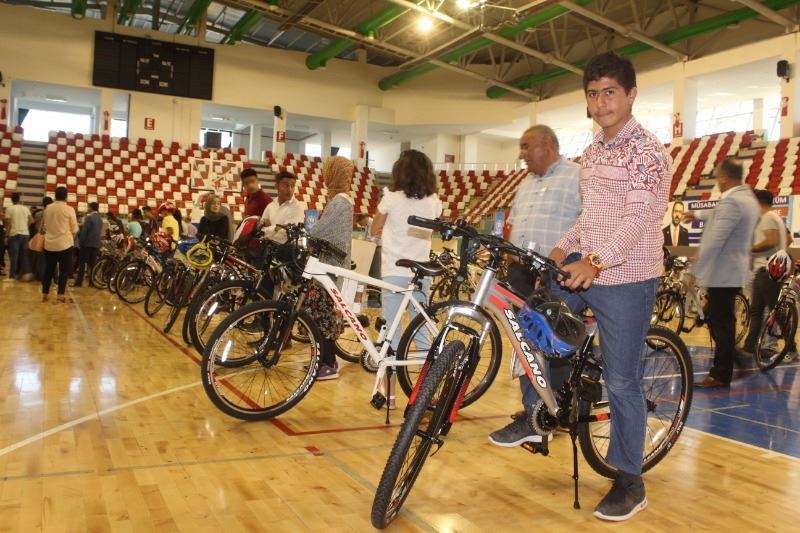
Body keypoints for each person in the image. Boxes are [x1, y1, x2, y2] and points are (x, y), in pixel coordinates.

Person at [549, 51, 670, 521]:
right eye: (593, 93)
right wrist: (563, 247)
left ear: (631, 95)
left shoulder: (648, 151)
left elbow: (638, 219)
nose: (601, 102)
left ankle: (630, 482)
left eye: (610, 92)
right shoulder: (594, 149)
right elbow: (592, 216)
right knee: (536, 314)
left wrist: (595, 262)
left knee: (622, 381)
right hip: (588, 266)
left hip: (627, 277)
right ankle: (539, 413)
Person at [488, 124, 581, 448]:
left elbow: (587, 225)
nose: (522, 153)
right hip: (522, 272)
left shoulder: (576, 177)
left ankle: (538, 414)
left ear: (548, 144)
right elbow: (514, 222)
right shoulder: (525, 183)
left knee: (542, 340)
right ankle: (542, 409)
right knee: (523, 341)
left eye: (527, 146)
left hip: (556, 272)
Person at [370, 150, 442, 404]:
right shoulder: (433, 200)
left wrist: (384, 237)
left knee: (393, 332)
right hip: (421, 273)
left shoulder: (391, 197)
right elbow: (433, 225)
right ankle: (424, 394)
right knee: (420, 332)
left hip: (393, 271)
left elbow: (374, 229)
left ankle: (390, 396)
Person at [688, 160, 760, 388]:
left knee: (721, 324)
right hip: (734, 271)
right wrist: (697, 214)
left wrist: (696, 270)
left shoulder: (732, 202)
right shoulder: (747, 198)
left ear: (724, 177)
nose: (717, 181)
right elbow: (717, 214)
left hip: (723, 272)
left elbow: (715, 239)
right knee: (717, 317)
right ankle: (739, 358)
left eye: (718, 177)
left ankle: (720, 374)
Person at [307, 156, 355, 381]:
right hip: (329, 266)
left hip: (329, 268)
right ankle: (325, 360)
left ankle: (327, 363)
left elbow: (320, 232)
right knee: (322, 316)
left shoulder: (340, 202)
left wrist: (310, 233)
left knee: (323, 317)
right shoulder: (339, 200)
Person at [741, 189, 788, 358]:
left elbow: (770, 241)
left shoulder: (768, 217)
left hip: (768, 270)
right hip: (766, 270)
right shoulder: (775, 218)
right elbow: (787, 239)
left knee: (773, 311)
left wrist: (749, 249)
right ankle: (749, 347)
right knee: (757, 311)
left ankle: (790, 347)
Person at [41, 186, 78, 303]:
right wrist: (71, 238)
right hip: (64, 244)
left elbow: (45, 225)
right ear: (66, 197)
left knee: (48, 270)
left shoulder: (48, 208)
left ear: (55, 196)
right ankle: (60, 295)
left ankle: (45, 294)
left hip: (49, 244)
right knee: (63, 271)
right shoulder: (69, 209)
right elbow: (74, 229)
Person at [259, 170, 306, 242]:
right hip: (269, 248)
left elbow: (289, 235)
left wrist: (271, 228)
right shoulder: (270, 206)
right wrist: (276, 229)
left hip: (288, 249)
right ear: (276, 186)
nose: (290, 189)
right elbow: (261, 231)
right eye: (286, 185)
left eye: (292, 186)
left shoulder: (297, 207)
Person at [3, 192, 33, 281]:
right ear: (19, 199)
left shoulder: (9, 209)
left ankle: (12, 276)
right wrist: (25, 226)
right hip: (25, 234)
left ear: (11, 200)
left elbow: (8, 225)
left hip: (14, 234)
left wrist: (6, 236)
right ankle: (26, 273)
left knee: (14, 256)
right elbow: (31, 221)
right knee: (24, 255)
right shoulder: (25, 208)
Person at [72, 202, 103, 287]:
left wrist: (80, 243)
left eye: (88, 207)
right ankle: (91, 282)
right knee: (92, 264)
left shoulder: (89, 217)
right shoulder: (100, 218)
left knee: (82, 264)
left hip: (87, 244)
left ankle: (79, 282)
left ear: (91, 208)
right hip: (96, 244)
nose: (87, 208)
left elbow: (84, 232)